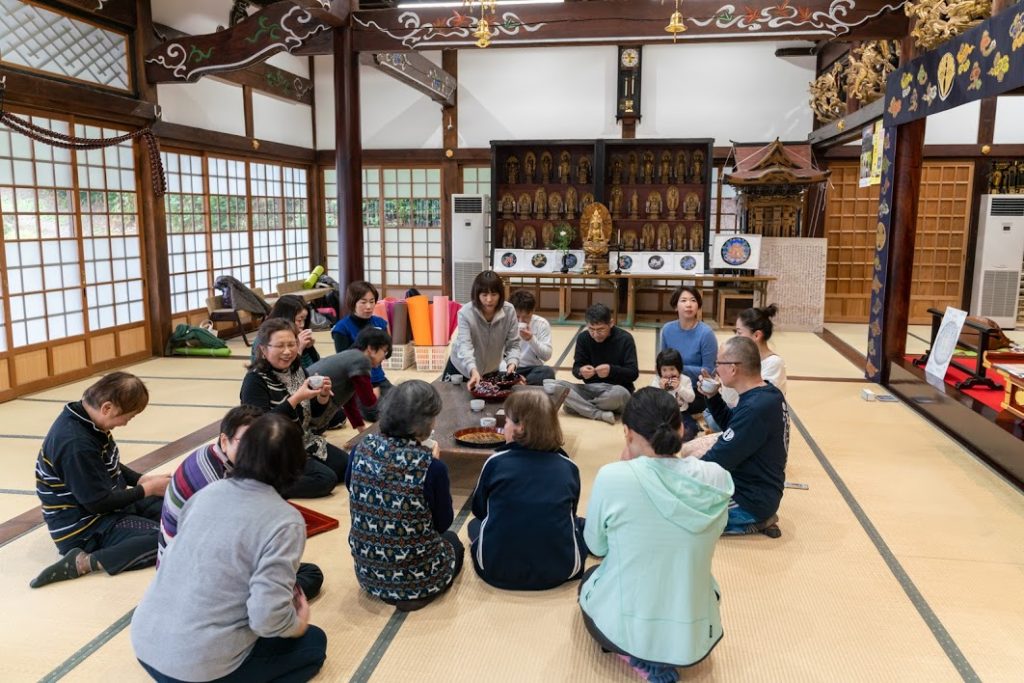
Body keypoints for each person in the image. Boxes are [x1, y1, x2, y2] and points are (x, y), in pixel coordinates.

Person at [131, 414, 328, 683]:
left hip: (144, 641)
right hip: (197, 666)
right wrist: (298, 624)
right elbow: (266, 619)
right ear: (296, 464)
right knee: (314, 642)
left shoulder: (208, 491)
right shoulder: (285, 520)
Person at [579, 388, 733, 681]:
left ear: (627, 433)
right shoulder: (716, 478)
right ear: (680, 428)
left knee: (590, 580)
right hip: (697, 631)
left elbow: (595, 546)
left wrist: (625, 468)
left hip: (628, 628)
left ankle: (640, 657)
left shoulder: (614, 476)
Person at [157, 405, 324, 600]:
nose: (254, 451)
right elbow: (227, 555)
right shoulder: (215, 485)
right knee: (308, 576)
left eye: (258, 443)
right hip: (196, 584)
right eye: (246, 443)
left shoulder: (214, 458)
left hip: (179, 575)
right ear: (224, 441)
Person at [31, 372, 170, 588]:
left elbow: (106, 463)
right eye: (128, 417)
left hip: (108, 505)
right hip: (85, 526)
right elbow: (97, 503)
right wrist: (147, 489)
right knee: (165, 537)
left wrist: (141, 479)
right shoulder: (75, 443)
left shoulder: (87, 421)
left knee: (174, 512)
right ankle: (84, 562)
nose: (125, 423)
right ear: (107, 408)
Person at [346, 380, 463, 611]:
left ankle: (389, 589)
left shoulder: (361, 447)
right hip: (420, 576)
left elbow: (352, 488)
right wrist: (433, 466)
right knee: (453, 541)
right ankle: (414, 592)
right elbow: (442, 523)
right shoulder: (431, 466)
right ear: (425, 423)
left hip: (368, 573)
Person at [469, 391, 586, 590]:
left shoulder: (495, 462)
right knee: (577, 523)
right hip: (560, 569)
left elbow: (480, 510)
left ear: (520, 427)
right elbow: (570, 512)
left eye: (506, 422)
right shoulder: (568, 466)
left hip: (495, 568)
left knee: (474, 524)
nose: (503, 427)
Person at [241, 318, 346, 499]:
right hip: (272, 449)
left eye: (292, 344)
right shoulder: (255, 380)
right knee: (325, 480)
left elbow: (313, 416)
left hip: (301, 440)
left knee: (347, 466)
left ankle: (296, 469)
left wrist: (322, 396)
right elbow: (259, 428)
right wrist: (295, 399)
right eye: (280, 346)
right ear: (264, 350)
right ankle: (265, 484)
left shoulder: (297, 370)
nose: (288, 351)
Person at [699, 336, 789, 536]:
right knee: (691, 454)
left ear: (732, 368)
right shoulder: (767, 392)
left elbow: (716, 460)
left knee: (677, 512)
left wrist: (673, 477)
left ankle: (756, 521)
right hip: (757, 487)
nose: (715, 369)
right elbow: (735, 426)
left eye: (718, 363)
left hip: (749, 500)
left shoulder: (755, 408)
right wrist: (713, 397)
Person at [707, 304, 788, 432]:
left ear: (756, 335)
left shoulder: (774, 364)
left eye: (739, 333)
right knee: (708, 408)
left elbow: (759, 402)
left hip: (751, 419)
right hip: (733, 410)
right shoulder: (740, 357)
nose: (736, 337)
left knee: (712, 420)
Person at [556, 303, 638, 425]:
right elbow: (576, 368)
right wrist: (581, 371)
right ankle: (598, 413)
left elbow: (633, 373)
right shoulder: (583, 338)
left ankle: (580, 407)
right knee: (556, 386)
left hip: (617, 391)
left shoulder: (625, 339)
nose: (595, 334)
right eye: (591, 329)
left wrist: (611, 370)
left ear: (611, 323)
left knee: (618, 395)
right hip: (591, 389)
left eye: (600, 329)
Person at [446, 270, 520, 391]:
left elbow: (514, 344)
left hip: (491, 370)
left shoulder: (509, 311)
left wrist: (512, 363)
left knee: (488, 406)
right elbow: (465, 346)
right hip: (462, 368)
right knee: (453, 402)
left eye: (494, 294)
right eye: (484, 295)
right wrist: (472, 369)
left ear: (500, 294)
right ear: (477, 295)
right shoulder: (465, 313)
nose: (489, 300)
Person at [307, 327, 392, 431]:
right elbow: (368, 400)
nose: (384, 357)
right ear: (371, 349)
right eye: (384, 351)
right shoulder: (362, 360)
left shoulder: (351, 356)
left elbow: (348, 400)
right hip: (311, 405)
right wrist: (377, 397)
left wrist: (361, 428)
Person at [331, 281, 391, 421]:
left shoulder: (380, 323)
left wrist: (376, 383)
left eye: (372, 301)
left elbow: (387, 353)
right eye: (363, 302)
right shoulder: (341, 328)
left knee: (404, 404)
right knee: (381, 414)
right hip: (357, 384)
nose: (369, 306)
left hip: (380, 379)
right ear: (353, 303)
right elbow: (344, 362)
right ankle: (354, 406)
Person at [659, 285, 717, 414]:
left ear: (698, 306)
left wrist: (676, 369)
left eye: (693, 300)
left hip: (697, 389)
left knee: (678, 407)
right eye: (683, 300)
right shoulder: (667, 329)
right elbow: (660, 364)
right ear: (675, 306)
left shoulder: (706, 333)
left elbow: (709, 371)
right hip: (671, 384)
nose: (689, 305)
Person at [250, 294, 319, 369]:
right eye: (299, 320)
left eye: (304, 320)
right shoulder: (264, 339)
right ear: (286, 318)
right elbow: (283, 373)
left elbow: (315, 366)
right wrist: (299, 348)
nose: (302, 325)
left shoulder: (296, 335)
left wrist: (309, 348)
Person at [649, 348, 699, 442]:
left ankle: (672, 437)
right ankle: (667, 436)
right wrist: (661, 389)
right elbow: (651, 400)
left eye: (672, 369)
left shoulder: (685, 380)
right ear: (659, 371)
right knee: (651, 428)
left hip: (681, 414)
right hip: (662, 414)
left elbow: (691, 398)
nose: (668, 374)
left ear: (679, 368)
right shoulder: (657, 381)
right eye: (664, 370)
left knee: (691, 429)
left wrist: (679, 388)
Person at [507, 290, 555, 386]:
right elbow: (498, 356)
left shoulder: (541, 324)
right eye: (517, 317)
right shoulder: (504, 323)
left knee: (547, 372)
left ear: (532, 311)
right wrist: (513, 375)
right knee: (491, 373)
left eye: (526, 317)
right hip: (508, 369)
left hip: (532, 369)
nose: (520, 321)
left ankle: (517, 385)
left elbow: (546, 356)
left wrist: (531, 339)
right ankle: (518, 383)